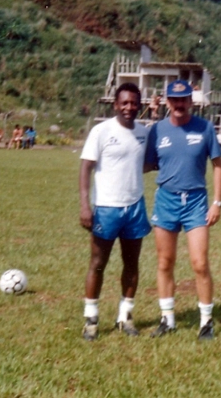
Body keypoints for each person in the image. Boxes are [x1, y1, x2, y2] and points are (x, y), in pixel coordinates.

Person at [144, 80, 221, 340]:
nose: (179, 104)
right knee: (165, 262)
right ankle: (167, 320)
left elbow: (218, 166)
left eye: (184, 99)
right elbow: (147, 164)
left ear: (191, 101)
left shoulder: (205, 128)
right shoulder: (157, 130)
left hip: (196, 202)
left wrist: (217, 202)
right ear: (167, 102)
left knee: (200, 263)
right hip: (166, 201)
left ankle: (206, 323)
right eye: (174, 100)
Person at [79, 82, 151, 341]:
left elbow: (145, 163)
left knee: (131, 264)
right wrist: (85, 205)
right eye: (124, 103)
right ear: (115, 104)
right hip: (106, 208)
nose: (129, 107)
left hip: (135, 207)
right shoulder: (101, 131)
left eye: (133, 103)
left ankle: (125, 317)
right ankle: (91, 319)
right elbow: (86, 167)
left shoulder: (143, 133)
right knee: (98, 264)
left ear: (139, 105)